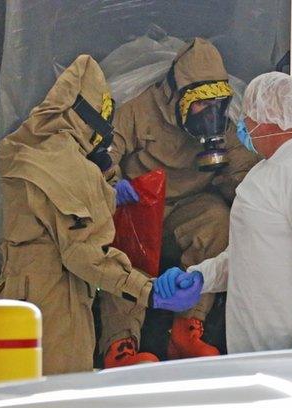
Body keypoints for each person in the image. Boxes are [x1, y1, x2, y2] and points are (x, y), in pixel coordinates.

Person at [0, 55, 203, 375]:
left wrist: (104, 191)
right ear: (91, 114)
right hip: (56, 306)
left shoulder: (25, 147)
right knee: (60, 394)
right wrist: (150, 291)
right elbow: (86, 255)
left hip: (12, 295)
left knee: (12, 391)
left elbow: (49, 213)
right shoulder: (71, 167)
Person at [158, 72, 292, 353]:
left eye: (248, 116)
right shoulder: (271, 166)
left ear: (271, 119)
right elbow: (254, 252)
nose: (242, 125)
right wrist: (202, 278)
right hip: (270, 352)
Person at [99, 38, 260, 365]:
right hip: (139, 206)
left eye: (217, 102)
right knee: (122, 249)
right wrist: (112, 189)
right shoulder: (138, 110)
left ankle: (187, 329)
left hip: (186, 209)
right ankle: (120, 345)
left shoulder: (224, 127)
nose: (211, 114)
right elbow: (105, 154)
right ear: (176, 95)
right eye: (201, 104)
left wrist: (247, 192)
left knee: (218, 218)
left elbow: (246, 175)